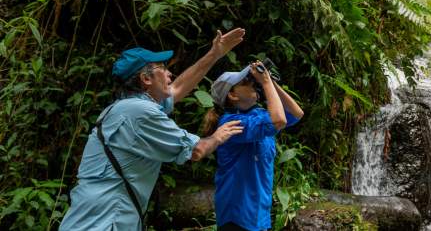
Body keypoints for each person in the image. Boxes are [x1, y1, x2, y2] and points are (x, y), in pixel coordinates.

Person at [59, 28, 245, 231]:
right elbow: (196, 150)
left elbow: (176, 90)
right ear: (146, 79)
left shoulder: (123, 108)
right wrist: (217, 137)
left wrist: (214, 54)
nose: (169, 73)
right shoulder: (140, 112)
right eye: (162, 68)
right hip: (104, 223)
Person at [205, 61, 304, 231]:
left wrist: (271, 83)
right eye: (246, 82)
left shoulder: (258, 115)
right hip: (237, 215)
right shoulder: (230, 123)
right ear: (233, 95)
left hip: (259, 214)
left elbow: (296, 113)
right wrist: (265, 82)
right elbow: (279, 120)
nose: (252, 83)